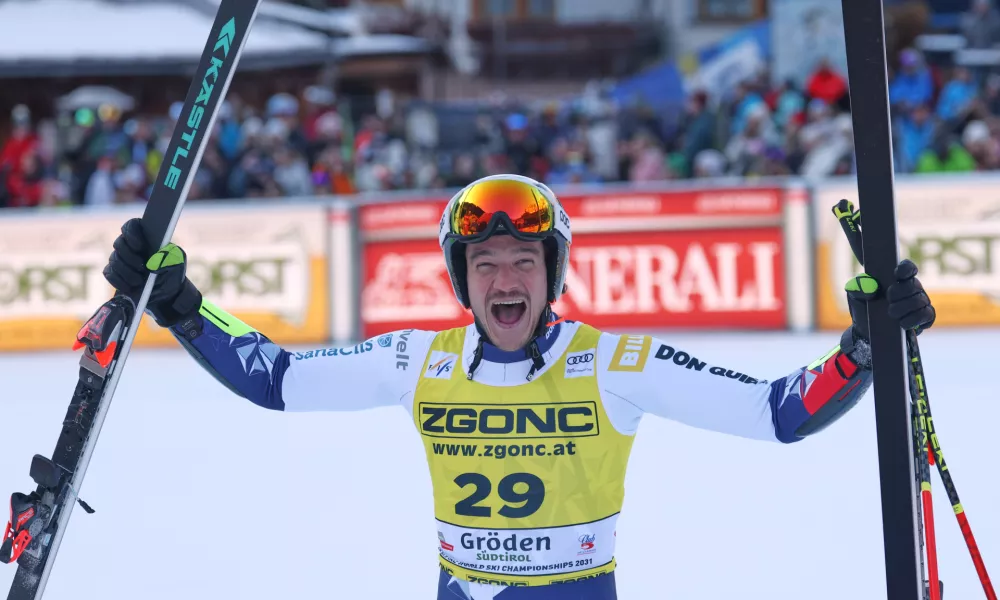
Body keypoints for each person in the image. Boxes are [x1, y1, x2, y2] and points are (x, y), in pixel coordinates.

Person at [102, 174, 936, 600]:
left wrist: (861, 350)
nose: (506, 276)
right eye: (487, 263)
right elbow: (275, 380)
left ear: (551, 275)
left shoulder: (612, 363)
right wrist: (182, 305)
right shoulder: (416, 362)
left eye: (524, 261)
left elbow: (775, 414)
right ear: (464, 282)